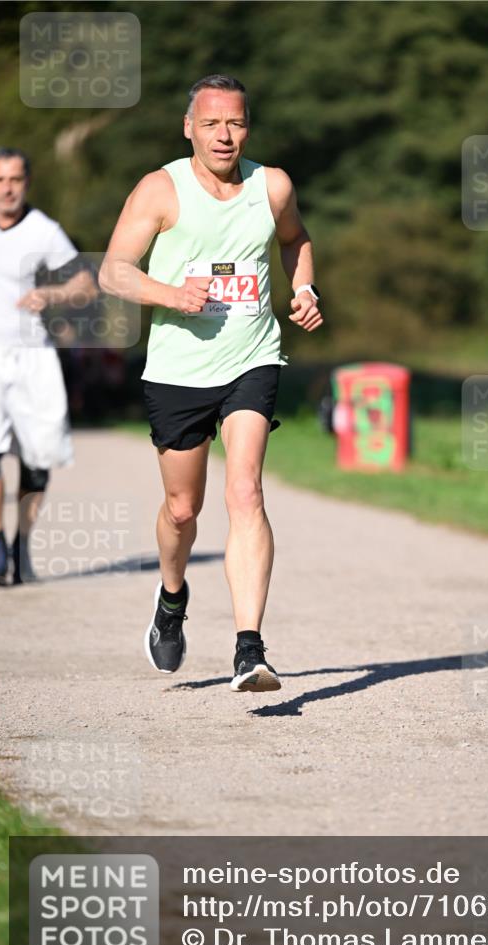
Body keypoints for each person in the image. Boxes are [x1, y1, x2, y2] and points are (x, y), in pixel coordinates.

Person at [100, 75, 323, 691]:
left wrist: (304, 287)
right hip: (178, 370)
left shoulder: (271, 186)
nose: (224, 136)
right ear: (188, 128)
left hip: (252, 356)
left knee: (245, 492)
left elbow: (296, 239)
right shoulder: (160, 189)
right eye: (211, 124)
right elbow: (114, 271)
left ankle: (250, 649)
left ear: (247, 127)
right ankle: (172, 598)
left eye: (236, 123)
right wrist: (173, 295)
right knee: (182, 509)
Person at [0, 148, 96, 585]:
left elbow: (87, 285)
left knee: (38, 461)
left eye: (15, 180)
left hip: (33, 355)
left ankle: (21, 543)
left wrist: (52, 294)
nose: (7, 188)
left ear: (27, 183)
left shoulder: (44, 231)